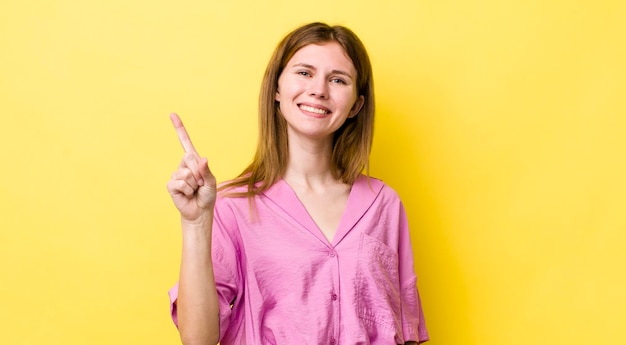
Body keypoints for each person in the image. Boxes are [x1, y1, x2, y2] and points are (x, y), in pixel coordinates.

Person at [166, 22, 429, 345]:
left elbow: (405, 330)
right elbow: (199, 340)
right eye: (304, 73)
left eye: (338, 79)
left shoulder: (384, 204)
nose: (319, 89)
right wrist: (195, 223)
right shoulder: (230, 206)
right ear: (277, 89)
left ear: (356, 105)